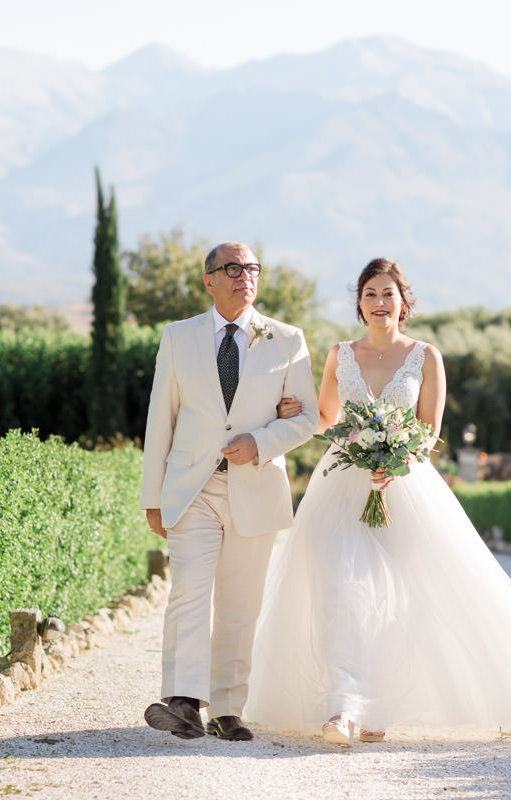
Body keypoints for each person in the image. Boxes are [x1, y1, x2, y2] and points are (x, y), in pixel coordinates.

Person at [246, 258, 511, 746]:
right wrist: (291, 410)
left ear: (403, 302)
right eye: (370, 293)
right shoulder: (339, 355)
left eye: (388, 293)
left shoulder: (426, 357)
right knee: (337, 590)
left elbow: (429, 431)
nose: (379, 302)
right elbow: (325, 418)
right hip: (341, 483)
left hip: (404, 485)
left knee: (397, 598)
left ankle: (377, 710)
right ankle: (340, 706)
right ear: (359, 303)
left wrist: (394, 461)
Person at [140, 241, 319, 742]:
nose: (245, 276)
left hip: (255, 487)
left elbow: (309, 416)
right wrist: (152, 496)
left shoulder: (287, 340)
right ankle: (182, 700)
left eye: (252, 268)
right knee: (189, 592)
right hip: (191, 487)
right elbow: (161, 418)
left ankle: (227, 709)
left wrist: (261, 441)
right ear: (209, 280)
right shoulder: (178, 338)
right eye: (233, 268)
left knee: (240, 605)